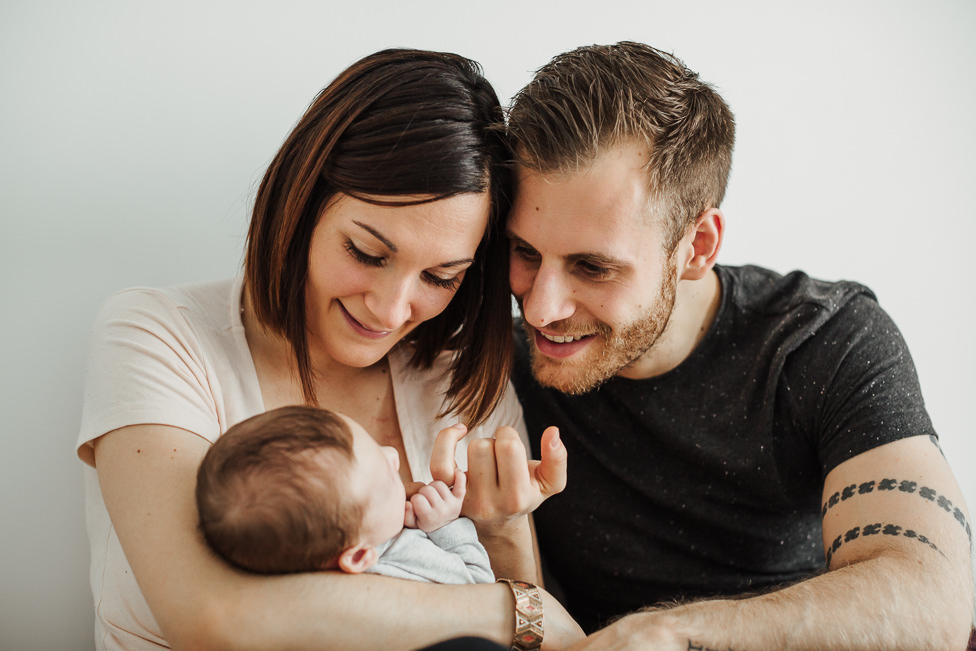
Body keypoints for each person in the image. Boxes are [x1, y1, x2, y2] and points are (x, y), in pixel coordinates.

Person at [77, 48, 580, 651]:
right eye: (367, 253)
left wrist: (501, 528)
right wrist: (521, 612)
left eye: (440, 277)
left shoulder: (460, 377)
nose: (392, 310)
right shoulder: (159, 335)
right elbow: (211, 616)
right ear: (303, 203)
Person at [505, 42, 974, 650]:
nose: (541, 308)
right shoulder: (494, 359)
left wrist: (670, 635)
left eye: (593, 267)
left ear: (697, 247)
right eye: (524, 252)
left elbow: (932, 603)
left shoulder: (824, 341)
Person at [196, 405, 494, 584]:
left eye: (374, 444)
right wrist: (445, 526)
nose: (393, 455)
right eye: (388, 481)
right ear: (359, 556)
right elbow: (481, 587)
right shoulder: (401, 558)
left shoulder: (324, 554)